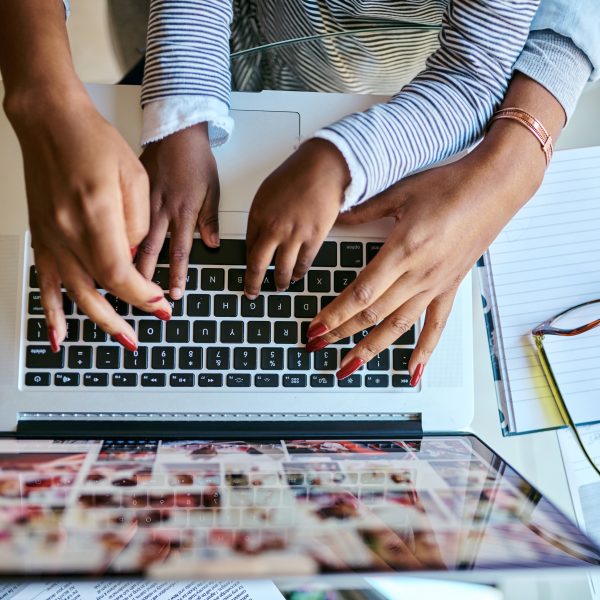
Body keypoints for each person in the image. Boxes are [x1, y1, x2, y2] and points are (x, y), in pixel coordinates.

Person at [0, 1, 598, 385]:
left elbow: (473, 72)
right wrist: (180, 114)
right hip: (219, 43)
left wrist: (339, 158)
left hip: (387, 86)